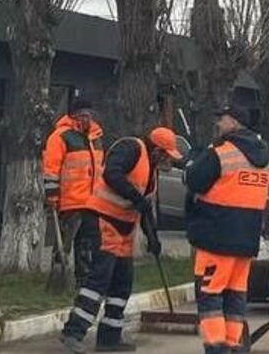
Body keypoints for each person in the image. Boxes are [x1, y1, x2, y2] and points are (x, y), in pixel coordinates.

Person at [60, 126, 184, 354]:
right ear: (156, 150)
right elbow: (112, 174)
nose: (167, 161)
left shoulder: (151, 170)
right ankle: (73, 333)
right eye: (166, 155)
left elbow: (144, 208)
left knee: (121, 285)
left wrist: (152, 238)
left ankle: (109, 338)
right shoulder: (130, 148)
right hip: (102, 221)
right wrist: (136, 197)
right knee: (98, 282)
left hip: (124, 230)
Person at [182, 107, 269, 354]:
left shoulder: (221, 153)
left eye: (221, 119)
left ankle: (216, 347)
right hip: (246, 239)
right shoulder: (263, 158)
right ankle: (234, 345)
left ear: (234, 122)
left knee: (210, 296)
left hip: (216, 237)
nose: (219, 124)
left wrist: (193, 162)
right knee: (235, 296)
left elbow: (193, 180)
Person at [43, 96, 104, 286]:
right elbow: (51, 169)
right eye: (82, 115)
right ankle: (58, 277)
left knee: (88, 243)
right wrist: (52, 195)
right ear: (73, 115)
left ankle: (83, 279)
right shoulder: (60, 137)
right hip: (70, 201)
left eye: (89, 115)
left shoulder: (95, 137)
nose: (86, 119)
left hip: (92, 201)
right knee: (64, 242)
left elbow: (101, 168)